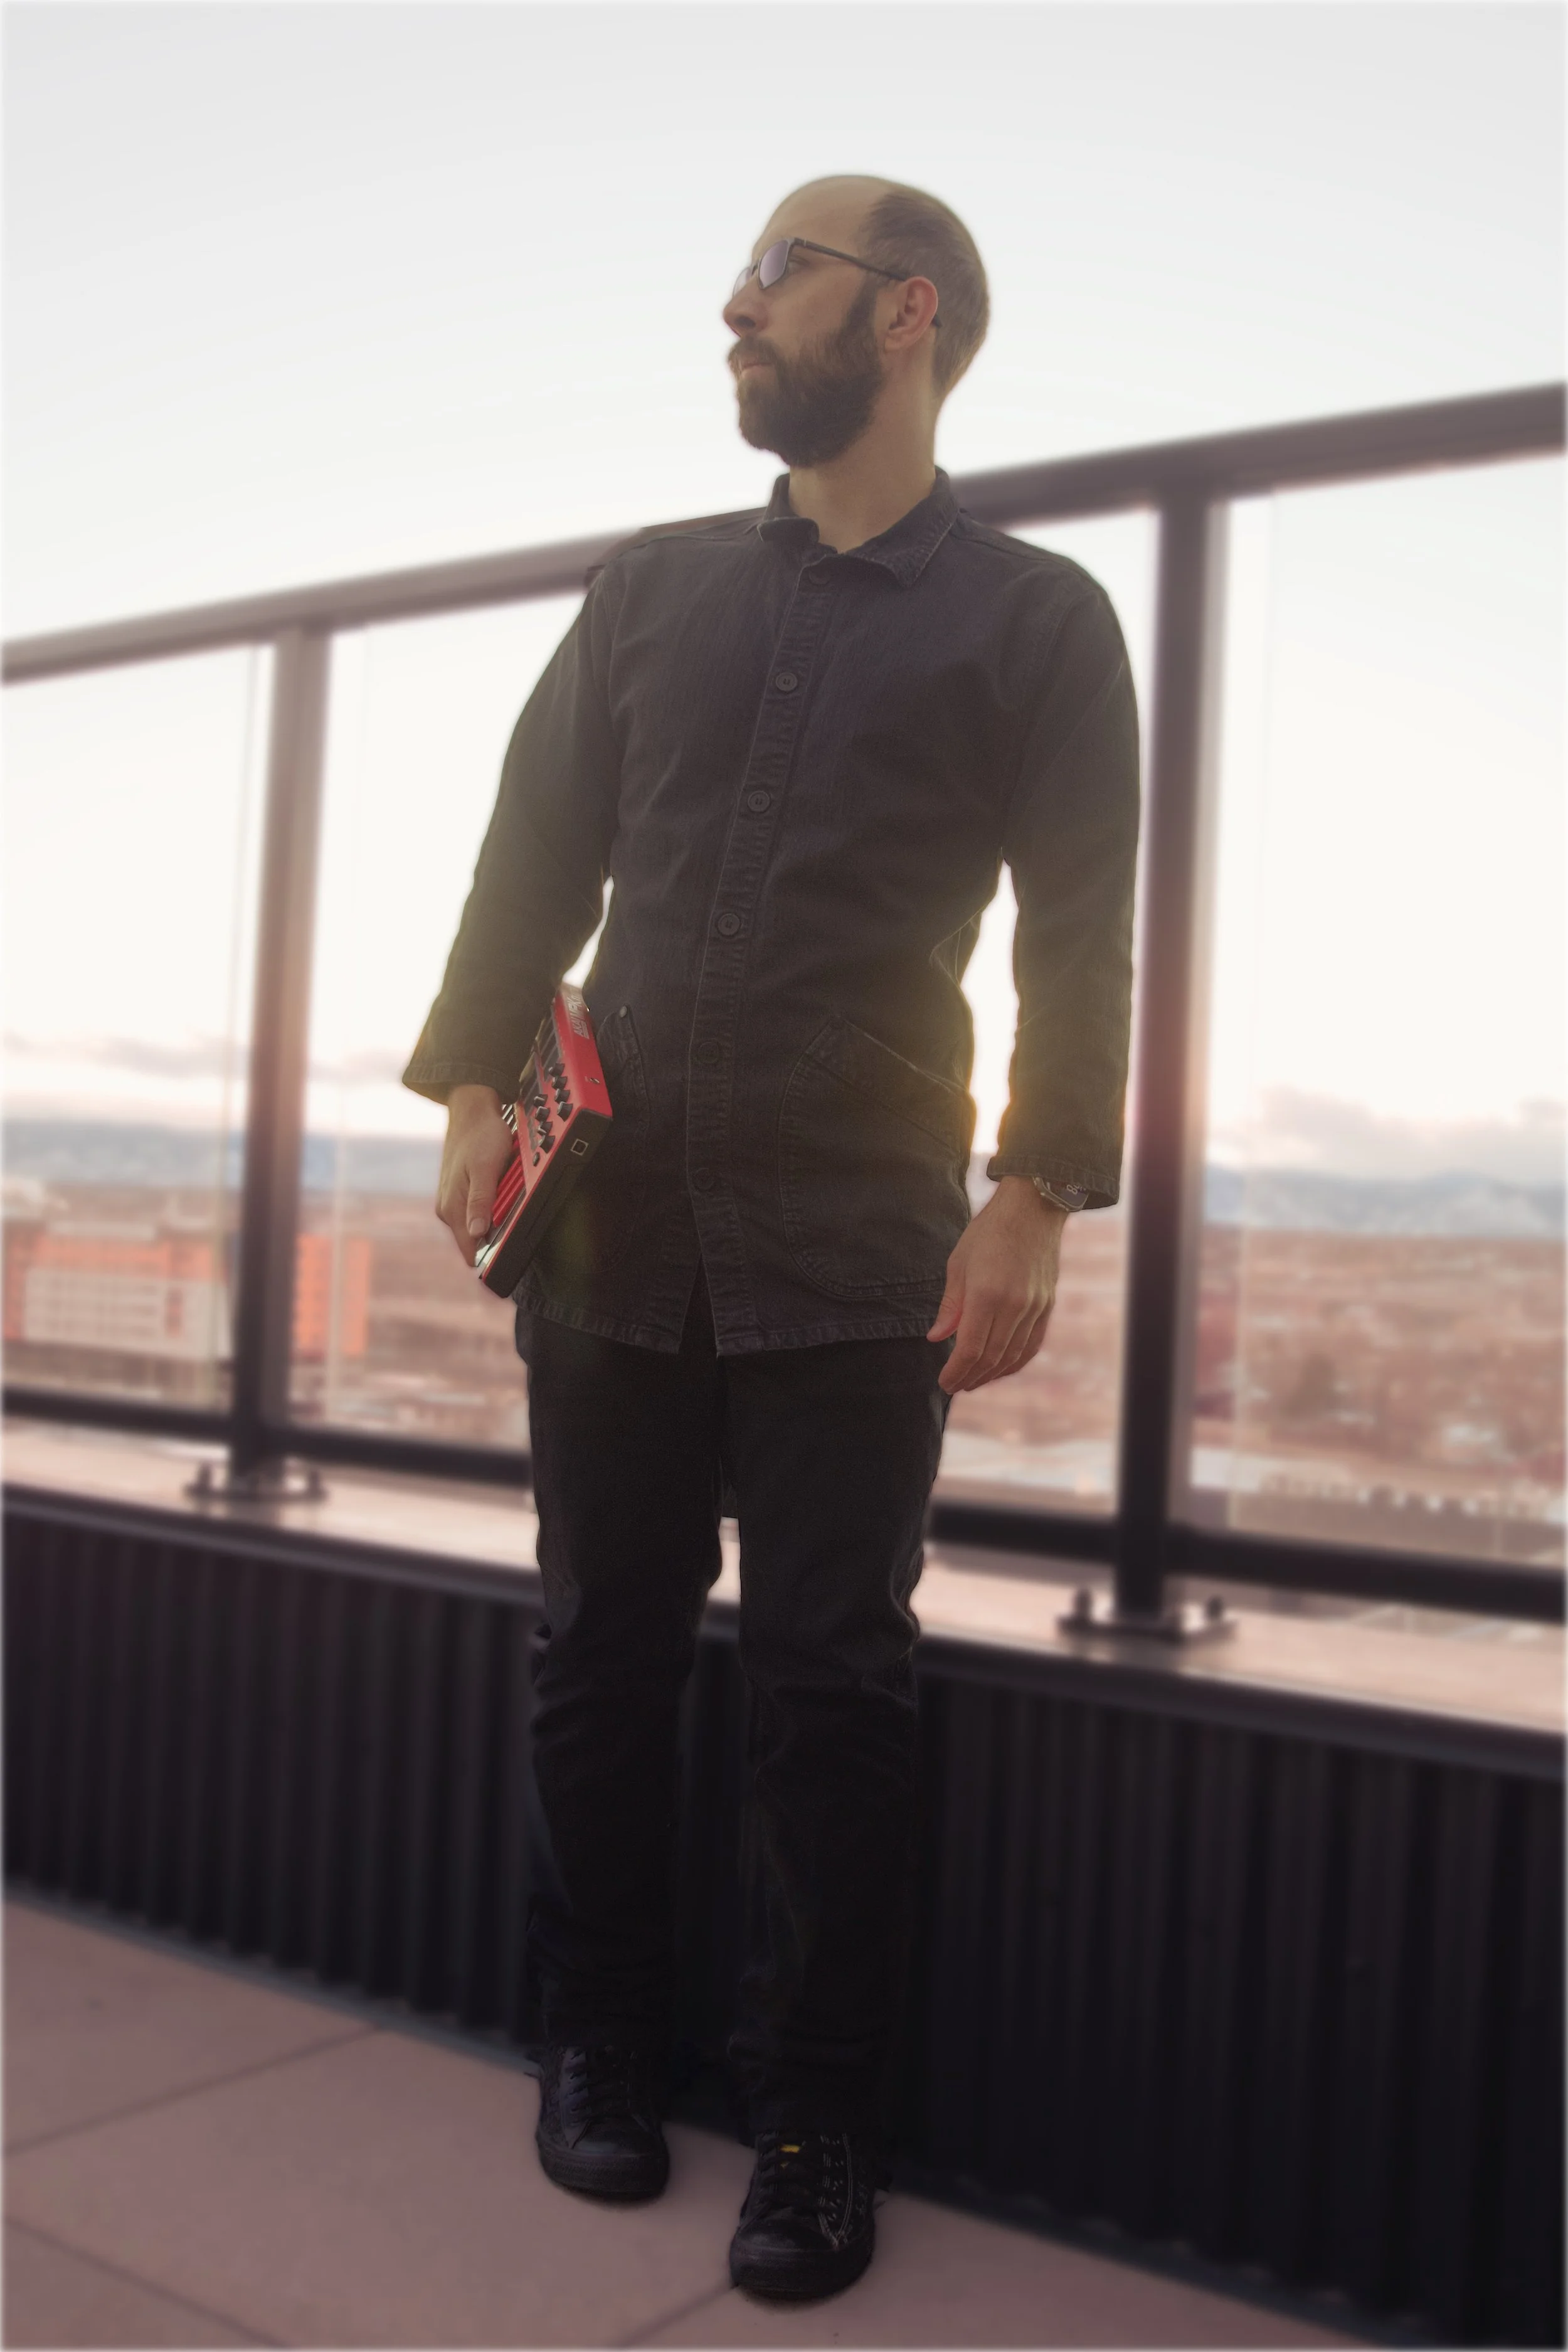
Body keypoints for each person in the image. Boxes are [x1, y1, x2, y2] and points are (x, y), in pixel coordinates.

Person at [403, 173, 1140, 2302]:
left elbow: (1086, 932)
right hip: (606, 1221)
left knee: (833, 1688)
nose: (733, 313)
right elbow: (532, 840)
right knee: (595, 1655)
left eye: (775, 276)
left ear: (903, 315)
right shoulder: (646, 589)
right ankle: (602, 2038)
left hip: (860, 1234)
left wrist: (1032, 1187)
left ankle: (815, 2119)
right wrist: (472, 1082)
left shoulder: (1037, 617)